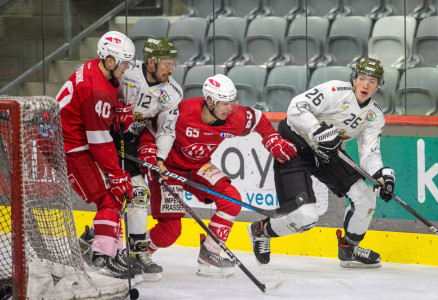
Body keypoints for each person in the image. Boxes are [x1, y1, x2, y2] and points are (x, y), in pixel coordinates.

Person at [137, 74, 297, 277]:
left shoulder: (234, 117)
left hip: (198, 167)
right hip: (168, 170)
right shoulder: (182, 111)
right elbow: (150, 130)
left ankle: (209, 251)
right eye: (224, 103)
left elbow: (258, 120)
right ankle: (136, 252)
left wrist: (273, 140)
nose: (230, 108)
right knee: (170, 232)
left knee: (231, 200)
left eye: (232, 101)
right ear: (210, 101)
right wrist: (148, 152)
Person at [248, 57, 396, 268]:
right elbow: (296, 108)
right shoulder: (335, 91)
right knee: (306, 217)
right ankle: (261, 231)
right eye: (362, 78)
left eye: (372, 81)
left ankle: (349, 248)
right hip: (294, 145)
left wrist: (380, 174)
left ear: (379, 85)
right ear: (354, 78)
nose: (366, 85)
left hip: (328, 153)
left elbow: (369, 152)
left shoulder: (374, 116)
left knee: (365, 199)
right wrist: (317, 131)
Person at [79, 37, 183, 281]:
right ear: (151, 62)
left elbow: (167, 130)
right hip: (102, 135)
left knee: (138, 194)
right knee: (116, 195)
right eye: (167, 63)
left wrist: (159, 158)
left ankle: (134, 253)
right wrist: (115, 111)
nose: (171, 69)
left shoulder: (172, 92)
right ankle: (96, 244)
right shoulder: (125, 73)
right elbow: (96, 94)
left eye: (172, 64)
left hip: (131, 140)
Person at [55, 31, 141, 280]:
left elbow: (92, 118)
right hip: (68, 148)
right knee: (110, 198)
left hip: (74, 140)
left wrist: (116, 115)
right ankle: (100, 257)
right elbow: (98, 139)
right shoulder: (99, 90)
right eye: (124, 63)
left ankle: (92, 242)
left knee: (112, 197)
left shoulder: (96, 68)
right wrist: (116, 175)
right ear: (110, 60)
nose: (126, 68)